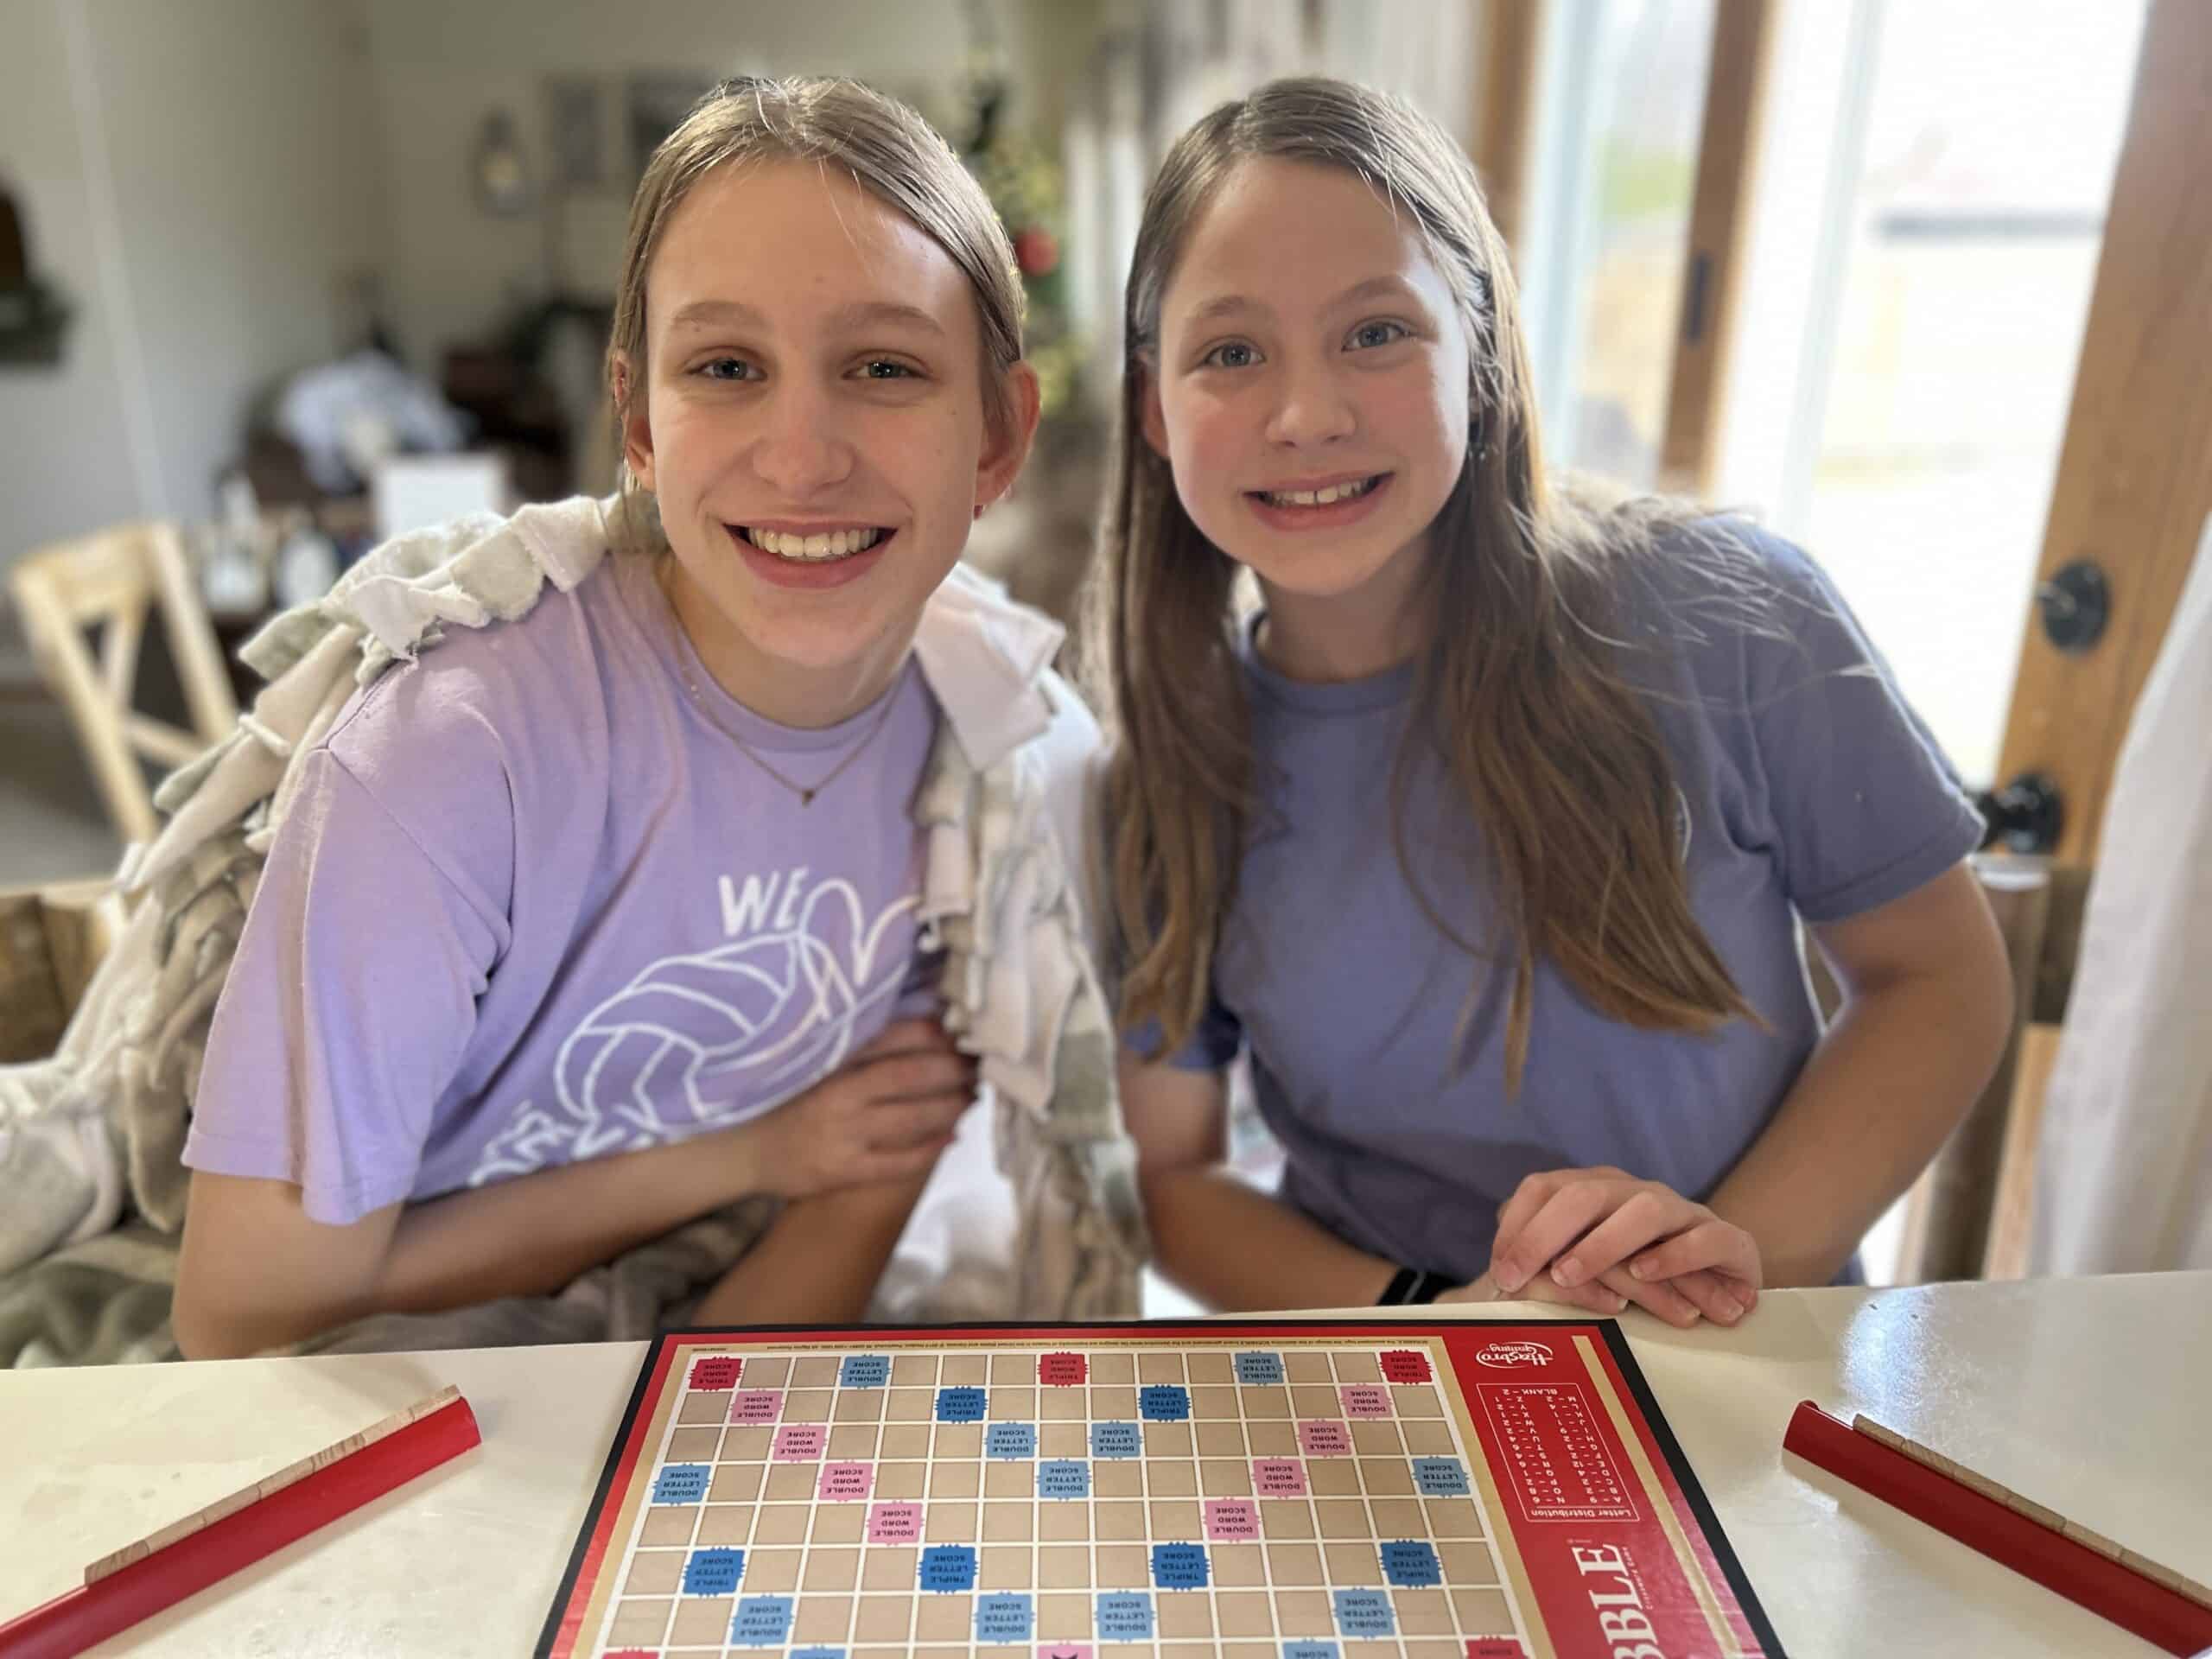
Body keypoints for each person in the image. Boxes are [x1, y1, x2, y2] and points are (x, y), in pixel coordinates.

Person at [170, 76, 1132, 1359]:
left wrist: (697, 1427)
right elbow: (243, 1319)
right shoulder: (445, 759)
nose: (801, 455)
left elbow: (866, 1170)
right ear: (638, 420)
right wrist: (746, 1153)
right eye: (727, 367)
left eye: (885, 366)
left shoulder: (996, 767)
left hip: (693, 1374)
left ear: (1000, 436)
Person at [1090, 79, 2012, 1325]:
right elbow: (1177, 1178)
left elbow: (1938, 981)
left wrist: (1729, 1256)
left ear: (1478, 349)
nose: (1307, 414)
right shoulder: (1169, 763)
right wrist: (1447, 1315)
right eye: (1232, 353)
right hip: (1394, 1379)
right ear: (1154, 408)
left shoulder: (1729, 614)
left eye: (1376, 332)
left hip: (1738, 1371)